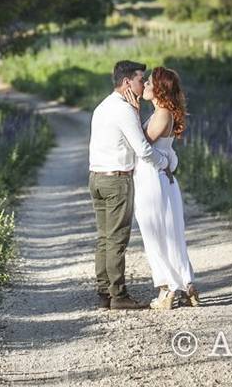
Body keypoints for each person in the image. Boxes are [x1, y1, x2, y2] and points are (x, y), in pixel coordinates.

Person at [88, 60, 170, 310]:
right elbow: (143, 149)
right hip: (116, 181)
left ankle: (104, 292)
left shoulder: (104, 106)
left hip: (97, 177)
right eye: (139, 79)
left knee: (104, 238)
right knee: (117, 239)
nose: (142, 84)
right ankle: (118, 295)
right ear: (126, 82)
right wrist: (165, 161)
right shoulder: (123, 110)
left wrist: (135, 114)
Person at [132, 66, 198, 310]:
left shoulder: (162, 114)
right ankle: (186, 284)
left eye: (149, 83)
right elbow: (168, 152)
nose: (145, 87)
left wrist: (133, 110)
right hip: (160, 178)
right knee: (170, 233)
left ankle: (167, 289)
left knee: (155, 234)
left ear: (159, 88)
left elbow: (140, 144)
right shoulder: (163, 113)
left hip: (153, 179)